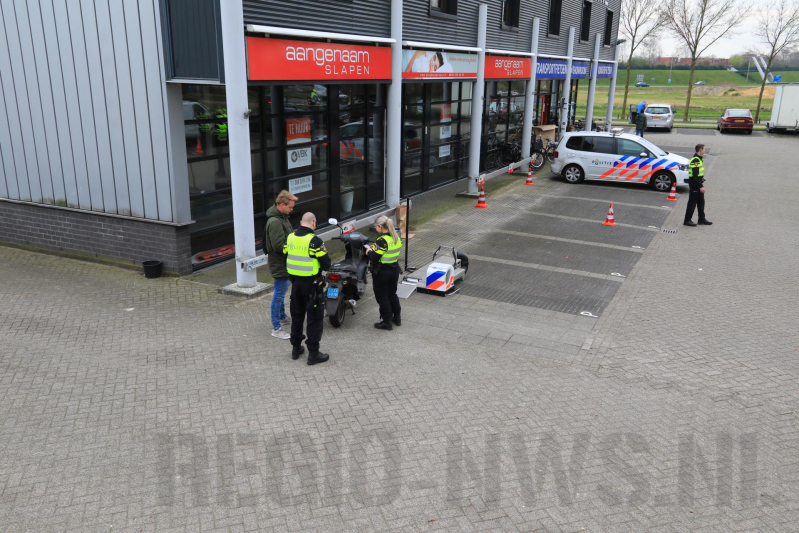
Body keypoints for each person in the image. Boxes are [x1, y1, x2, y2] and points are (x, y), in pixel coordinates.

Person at [284, 212, 332, 365]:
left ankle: (296, 349)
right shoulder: (315, 241)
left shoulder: (290, 237)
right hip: (312, 286)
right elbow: (326, 264)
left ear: (300, 222)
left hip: (295, 284)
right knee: (314, 319)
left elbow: (285, 255)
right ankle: (313, 354)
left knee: (297, 316)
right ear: (313, 222)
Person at [263, 190, 297, 340]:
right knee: (278, 295)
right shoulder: (276, 221)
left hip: (284, 263)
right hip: (280, 264)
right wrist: (295, 245)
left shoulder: (282, 217)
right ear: (282, 205)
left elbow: (286, 236)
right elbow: (278, 246)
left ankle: (282, 317)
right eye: (290, 207)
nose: (292, 210)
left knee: (281, 293)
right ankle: (276, 328)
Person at [366, 216, 403, 330]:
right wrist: (376, 249)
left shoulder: (381, 240)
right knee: (392, 294)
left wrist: (369, 251)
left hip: (382, 273)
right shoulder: (396, 237)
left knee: (382, 297)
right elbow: (386, 252)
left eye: (376, 227)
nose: (375, 229)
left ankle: (386, 322)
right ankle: (397, 318)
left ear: (380, 227)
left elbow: (374, 258)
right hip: (394, 270)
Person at [684, 144, 713, 227]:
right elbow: (695, 175)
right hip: (694, 185)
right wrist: (700, 186)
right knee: (692, 203)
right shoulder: (695, 160)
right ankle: (687, 220)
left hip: (698, 183)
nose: (705, 150)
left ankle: (701, 219)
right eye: (704, 149)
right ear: (700, 150)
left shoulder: (699, 159)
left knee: (701, 202)